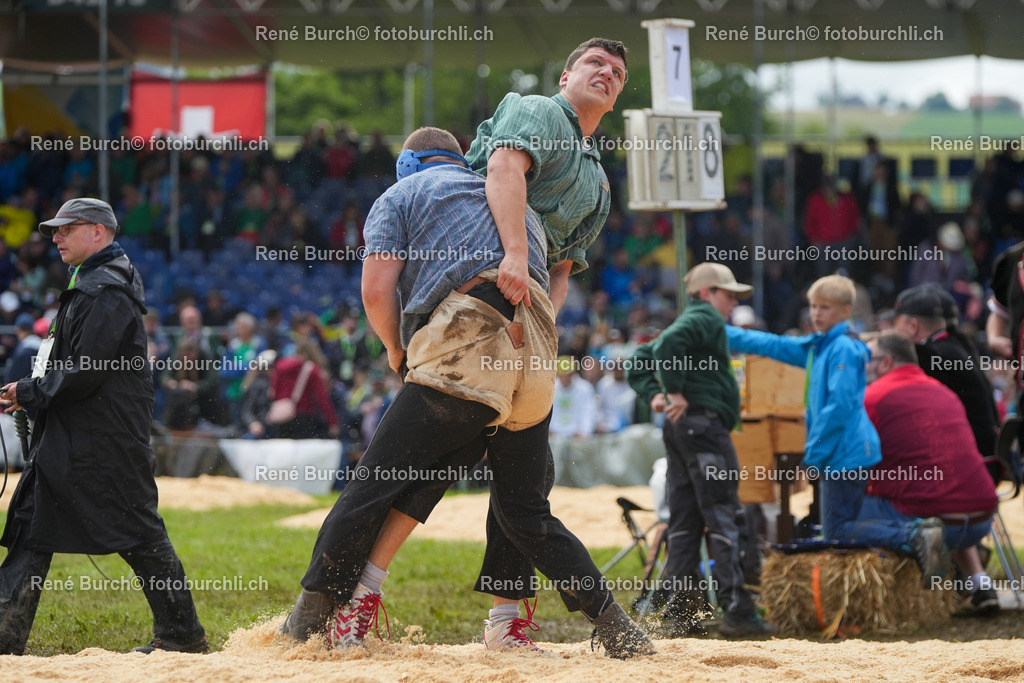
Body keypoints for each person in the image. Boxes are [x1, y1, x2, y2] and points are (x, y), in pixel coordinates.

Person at [281, 127, 652, 659]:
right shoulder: (515, 206)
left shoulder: (402, 193)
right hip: (536, 355)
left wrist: (394, 349)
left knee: (373, 482)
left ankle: (310, 622)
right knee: (524, 508)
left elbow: (375, 289)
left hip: (468, 341)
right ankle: (612, 625)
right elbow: (549, 281)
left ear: (409, 161)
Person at [0, 197, 206, 655]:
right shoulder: (94, 281)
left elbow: (84, 371)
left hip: (104, 440)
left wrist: (30, 392)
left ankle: (181, 635)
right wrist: (30, 391)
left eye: (64, 229)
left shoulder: (105, 289)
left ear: (97, 231)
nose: (54, 237)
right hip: (77, 434)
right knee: (33, 525)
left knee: (140, 534)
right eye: (54, 230)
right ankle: (3, 640)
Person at [626, 263, 774, 638]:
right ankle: (738, 611)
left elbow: (640, 360)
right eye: (728, 295)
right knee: (724, 514)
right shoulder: (705, 317)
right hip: (705, 427)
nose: (731, 303)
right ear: (707, 293)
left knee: (685, 521)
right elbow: (671, 344)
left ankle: (682, 612)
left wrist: (657, 395)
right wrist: (673, 393)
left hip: (681, 430)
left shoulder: (698, 320)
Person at [725, 275, 886, 544]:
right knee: (839, 528)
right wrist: (721, 332)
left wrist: (814, 452)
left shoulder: (842, 348)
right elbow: (772, 344)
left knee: (838, 531)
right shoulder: (818, 347)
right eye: (813, 306)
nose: (816, 313)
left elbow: (839, 407)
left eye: (825, 307)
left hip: (845, 455)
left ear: (845, 311)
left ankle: (910, 535)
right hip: (840, 453)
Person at [856, 332, 996, 606]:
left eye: (867, 358)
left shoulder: (873, 397)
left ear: (885, 363)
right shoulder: (945, 392)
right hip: (982, 518)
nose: (863, 365)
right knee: (945, 493)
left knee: (843, 519)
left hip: (940, 518)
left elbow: (855, 457)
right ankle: (980, 582)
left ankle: (901, 590)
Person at [889, 285, 1000, 464]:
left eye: (895, 324)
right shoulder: (956, 345)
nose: (893, 331)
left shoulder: (931, 354)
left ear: (912, 326)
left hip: (968, 463)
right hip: (985, 456)